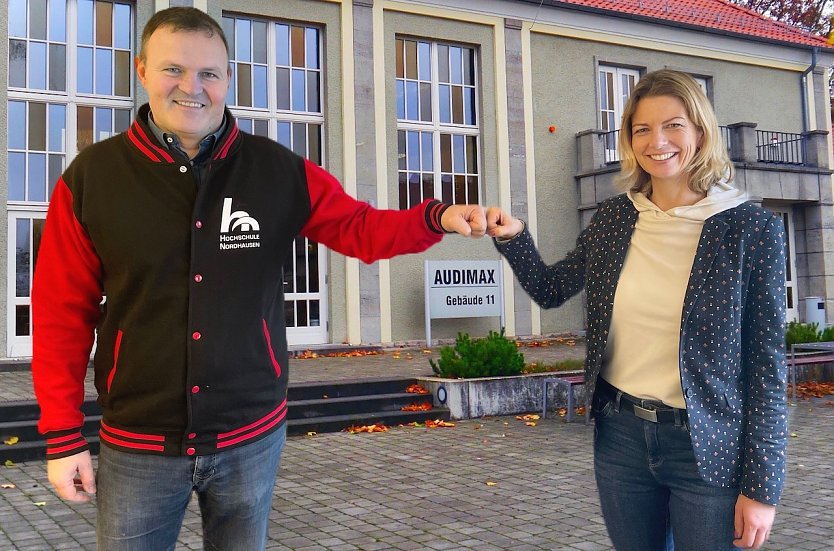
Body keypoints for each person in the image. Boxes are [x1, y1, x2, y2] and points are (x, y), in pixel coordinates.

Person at [31, 7, 486, 550]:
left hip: (251, 436)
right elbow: (61, 312)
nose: (191, 88)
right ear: (143, 70)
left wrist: (436, 217)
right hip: (139, 443)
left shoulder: (280, 172)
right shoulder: (92, 179)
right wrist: (62, 438)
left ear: (228, 79)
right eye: (173, 69)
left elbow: (361, 229)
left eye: (209, 73)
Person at [486, 69, 786, 551]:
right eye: (641, 129)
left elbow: (766, 370)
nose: (657, 141)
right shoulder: (615, 218)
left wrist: (762, 487)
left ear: (700, 131)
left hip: (707, 448)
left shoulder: (751, 229)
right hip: (622, 439)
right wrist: (513, 236)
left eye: (673, 125)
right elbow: (550, 289)